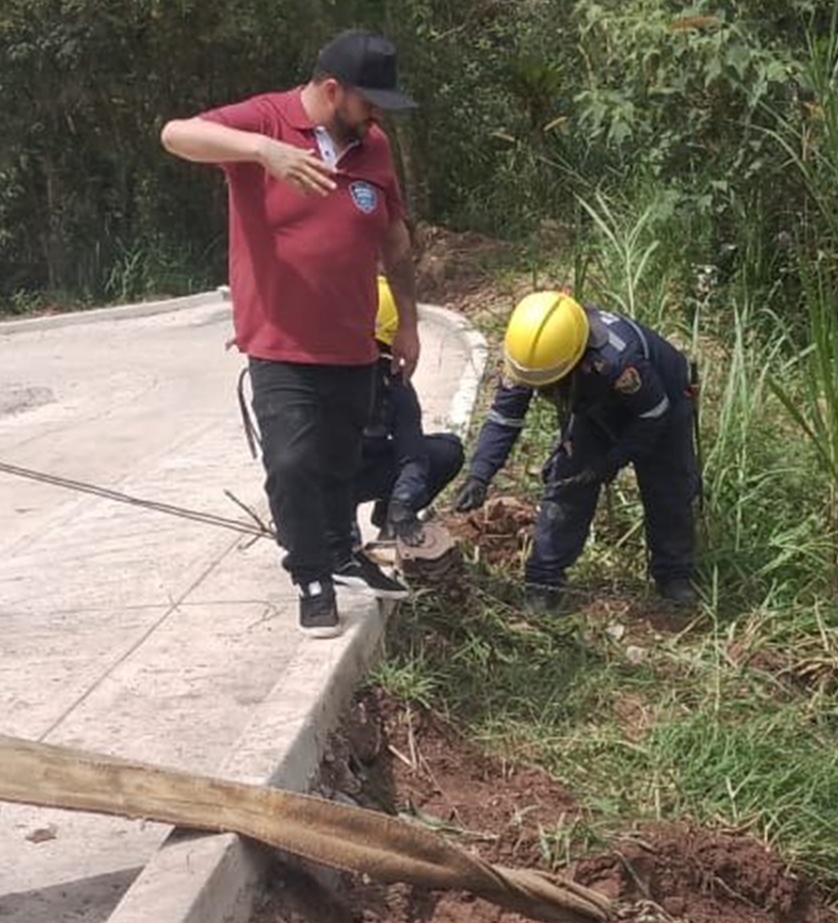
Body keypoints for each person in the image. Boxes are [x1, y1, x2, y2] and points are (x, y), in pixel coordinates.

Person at [159, 29, 420, 639]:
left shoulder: (373, 146)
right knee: (294, 462)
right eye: (368, 101)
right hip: (279, 341)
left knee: (338, 461)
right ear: (333, 90)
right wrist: (260, 152)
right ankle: (310, 577)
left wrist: (406, 323)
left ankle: (339, 552)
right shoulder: (267, 122)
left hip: (354, 340)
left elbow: (395, 241)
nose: (376, 114)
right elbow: (175, 134)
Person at [451, 291, 700, 612]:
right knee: (568, 482)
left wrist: (612, 461)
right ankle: (543, 582)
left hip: (661, 404)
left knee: (667, 488)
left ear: (577, 358)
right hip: (594, 407)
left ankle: (673, 574)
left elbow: (653, 415)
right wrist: (479, 474)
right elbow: (504, 417)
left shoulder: (616, 361)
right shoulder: (528, 357)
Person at [345, 277, 463, 551]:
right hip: (327, 483)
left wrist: (403, 502)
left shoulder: (395, 386)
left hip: (365, 470)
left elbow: (413, 456)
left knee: (446, 452)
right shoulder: (319, 385)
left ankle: (388, 520)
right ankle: (337, 527)